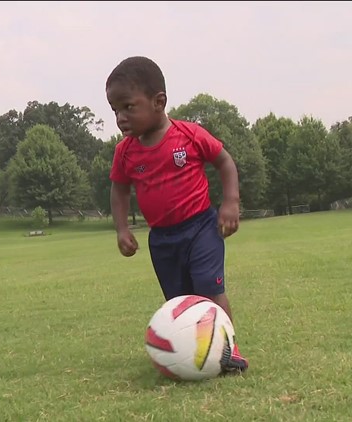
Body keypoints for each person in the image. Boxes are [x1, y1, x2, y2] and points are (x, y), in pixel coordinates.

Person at [106, 56, 248, 373]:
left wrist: (230, 202)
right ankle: (189, 356)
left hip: (201, 229)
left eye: (128, 106)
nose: (120, 117)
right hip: (162, 239)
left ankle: (229, 350)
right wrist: (121, 229)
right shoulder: (124, 152)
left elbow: (224, 162)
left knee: (209, 290)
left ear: (159, 102)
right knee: (180, 305)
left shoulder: (189, 135)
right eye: (115, 110)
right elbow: (118, 190)